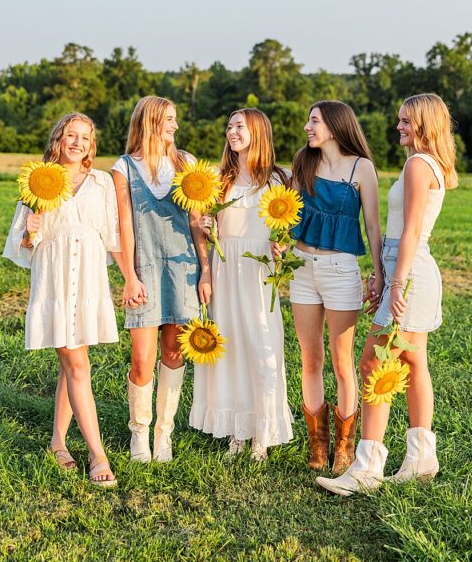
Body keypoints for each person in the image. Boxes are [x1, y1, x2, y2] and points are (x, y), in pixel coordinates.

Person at [317, 93, 458, 496]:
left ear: (425, 125)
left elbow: (410, 231)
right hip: (409, 267)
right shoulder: (428, 163)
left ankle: (366, 467)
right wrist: (382, 273)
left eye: (406, 121)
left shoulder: (417, 164)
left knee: (374, 363)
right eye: (399, 120)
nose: (399, 126)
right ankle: (420, 458)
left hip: (410, 272)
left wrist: (395, 282)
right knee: (413, 362)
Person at [3, 112, 121, 487]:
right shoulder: (40, 180)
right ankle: (97, 453)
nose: (78, 143)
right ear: (58, 138)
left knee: (72, 363)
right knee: (77, 363)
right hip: (54, 276)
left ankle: (58, 441)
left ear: (91, 145)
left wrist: (132, 278)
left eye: (85, 138)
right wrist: (30, 231)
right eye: (72, 135)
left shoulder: (101, 182)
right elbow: (22, 243)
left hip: (87, 278)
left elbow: (112, 235)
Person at [189, 109, 294, 461]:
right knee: (229, 347)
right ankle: (237, 430)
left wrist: (283, 247)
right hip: (224, 268)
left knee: (262, 346)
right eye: (229, 126)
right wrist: (205, 260)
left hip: (258, 272)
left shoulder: (278, 179)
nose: (232, 131)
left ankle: (262, 433)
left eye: (239, 126)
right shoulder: (219, 180)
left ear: (258, 131)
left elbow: (287, 230)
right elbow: (203, 231)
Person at [111, 96, 211, 463]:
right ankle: (139, 433)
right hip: (145, 270)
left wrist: (205, 270)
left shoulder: (187, 164)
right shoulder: (123, 168)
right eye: (169, 119)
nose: (175, 126)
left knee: (173, 351)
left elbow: (198, 224)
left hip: (183, 269)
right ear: (151, 121)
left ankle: (163, 434)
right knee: (142, 358)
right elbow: (123, 227)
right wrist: (130, 277)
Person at [287, 100, 382, 474]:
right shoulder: (304, 161)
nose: (308, 127)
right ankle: (317, 443)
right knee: (311, 360)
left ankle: (344, 446)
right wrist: (281, 239)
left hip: (341, 270)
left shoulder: (362, 168)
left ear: (335, 126)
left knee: (343, 363)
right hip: (302, 269)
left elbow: (372, 226)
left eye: (314, 121)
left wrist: (377, 273)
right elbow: (290, 210)